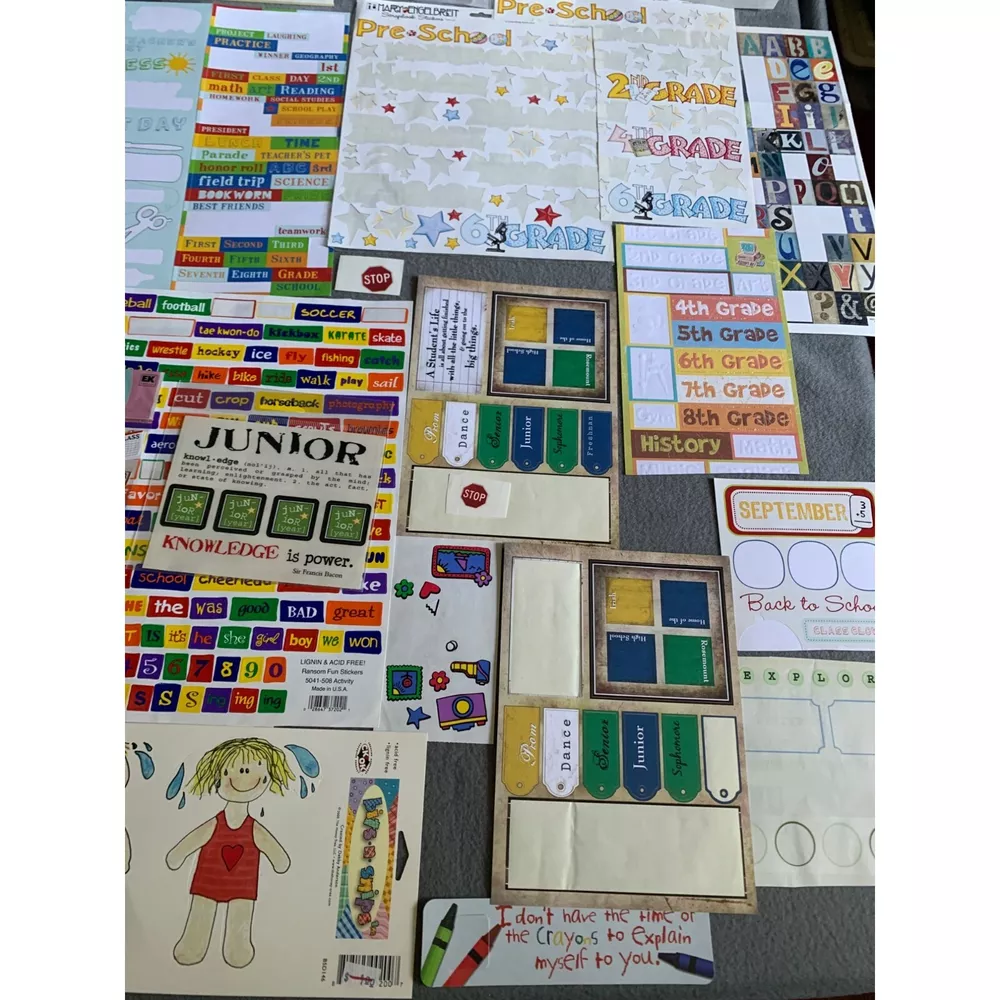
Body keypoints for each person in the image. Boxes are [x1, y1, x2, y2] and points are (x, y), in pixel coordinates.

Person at [165, 737, 295, 968]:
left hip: (242, 883)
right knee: (201, 911)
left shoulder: (254, 829)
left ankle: (238, 947)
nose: (245, 776)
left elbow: (275, 853)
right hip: (209, 879)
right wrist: (178, 854)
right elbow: (194, 839)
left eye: (255, 770)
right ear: (219, 778)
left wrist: (279, 860)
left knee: (241, 914)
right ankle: (192, 945)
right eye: (233, 771)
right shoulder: (215, 824)